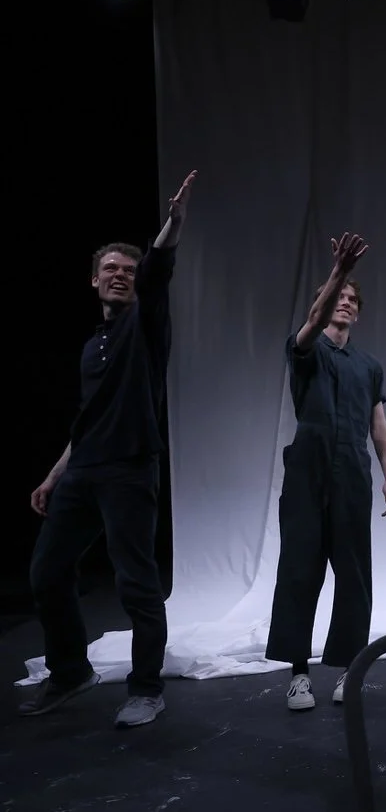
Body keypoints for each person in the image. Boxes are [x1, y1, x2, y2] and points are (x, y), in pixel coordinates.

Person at [21, 170, 199, 728]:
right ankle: (71, 671)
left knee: (136, 583)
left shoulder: (144, 325)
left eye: (128, 270)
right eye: (111, 270)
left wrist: (173, 223)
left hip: (128, 471)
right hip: (84, 470)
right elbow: (85, 422)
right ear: (93, 281)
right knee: (47, 573)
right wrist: (54, 476)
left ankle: (146, 688)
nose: (121, 276)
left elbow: (158, 269)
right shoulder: (90, 346)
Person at [265, 232, 386, 711]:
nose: (342, 303)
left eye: (350, 300)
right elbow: (311, 323)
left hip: (350, 471)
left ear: (358, 312)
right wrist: (338, 272)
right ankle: (298, 674)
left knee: (354, 571)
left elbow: (377, 421)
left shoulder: (369, 365)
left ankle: (348, 670)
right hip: (307, 467)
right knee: (300, 570)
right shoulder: (306, 349)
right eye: (335, 297)